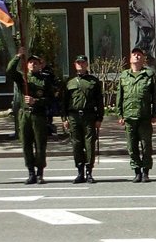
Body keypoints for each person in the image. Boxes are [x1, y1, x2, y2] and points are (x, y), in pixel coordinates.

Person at [6, 48, 58, 184]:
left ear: (40, 65)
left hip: (38, 115)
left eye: (36, 62)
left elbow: (50, 100)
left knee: (40, 144)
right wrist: (18, 56)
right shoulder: (23, 78)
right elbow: (10, 71)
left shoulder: (45, 80)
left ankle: (40, 172)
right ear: (27, 65)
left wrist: (37, 101)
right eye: (31, 62)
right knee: (26, 144)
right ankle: (31, 172)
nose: (33, 64)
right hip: (25, 115)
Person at [117, 47, 156, 183]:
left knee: (146, 146)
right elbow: (120, 97)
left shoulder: (149, 75)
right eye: (134, 55)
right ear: (130, 59)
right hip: (129, 117)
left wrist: (155, 114)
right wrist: (120, 115)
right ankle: (136, 171)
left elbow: (155, 97)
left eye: (139, 55)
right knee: (132, 146)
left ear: (143, 59)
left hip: (144, 117)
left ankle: (146, 171)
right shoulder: (124, 76)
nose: (136, 56)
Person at [62, 54, 104, 184]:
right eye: (78, 62)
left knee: (89, 144)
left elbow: (99, 101)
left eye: (83, 62)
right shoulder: (70, 82)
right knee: (76, 144)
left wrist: (99, 118)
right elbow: (64, 102)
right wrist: (64, 119)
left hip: (89, 116)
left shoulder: (93, 81)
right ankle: (80, 171)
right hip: (74, 116)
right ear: (75, 65)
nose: (80, 64)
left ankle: (89, 171)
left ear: (87, 65)